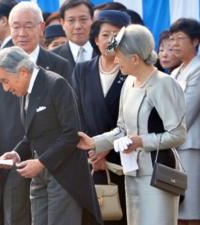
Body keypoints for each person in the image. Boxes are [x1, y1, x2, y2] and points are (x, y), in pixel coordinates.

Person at [77, 24, 187, 225]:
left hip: (158, 172)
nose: (115, 60)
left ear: (135, 58)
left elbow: (178, 134)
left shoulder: (163, 84)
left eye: (119, 55)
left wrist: (141, 141)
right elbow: (122, 129)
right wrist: (93, 143)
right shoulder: (129, 82)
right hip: (132, 171)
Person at [0, 2, 73, 225]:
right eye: (16, 26)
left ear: (41, 27)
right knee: (16, 217)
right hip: (11, 159)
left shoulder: (59, 65)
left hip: (54, 160)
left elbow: (70, 117)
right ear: (8, 28)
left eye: (28, 26)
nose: (21, 33)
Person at [0, 46, 102, 225]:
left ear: (23, 72)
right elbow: (33, 135)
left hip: (64, 176)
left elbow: (71, 134)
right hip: (39, 176)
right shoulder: (25, 90)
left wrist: (41, 162)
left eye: (5, 81)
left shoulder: (56, 84)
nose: (5, 88)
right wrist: (17, 153)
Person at [72, 10, 130, 225]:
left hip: (123, 157)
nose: (110, 40)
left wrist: (107, 147)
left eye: (116, 34)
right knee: (92, 215)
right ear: (95, 39)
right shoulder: (82, 70)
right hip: (90, 157)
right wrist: (94, 149)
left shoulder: (132, 70)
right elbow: (76, 111)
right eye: (105, 34)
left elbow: (134, 118)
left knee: (121, 214)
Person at [169, 18, 200, 225]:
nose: (174, 44)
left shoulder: (197, 70)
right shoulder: (175, 71)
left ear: (195, 41)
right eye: (172, 39)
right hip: (173, 145)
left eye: (180, 38)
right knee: (177, 208)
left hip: (190, 145)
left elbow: (188, 112)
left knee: (192, 207)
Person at [53, 0, 95, 67]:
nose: (77, 26)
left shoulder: (106, 53)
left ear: (92, 20)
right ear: (62, 23)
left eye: (83, 19)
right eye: (71, 20)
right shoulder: (52, 58)